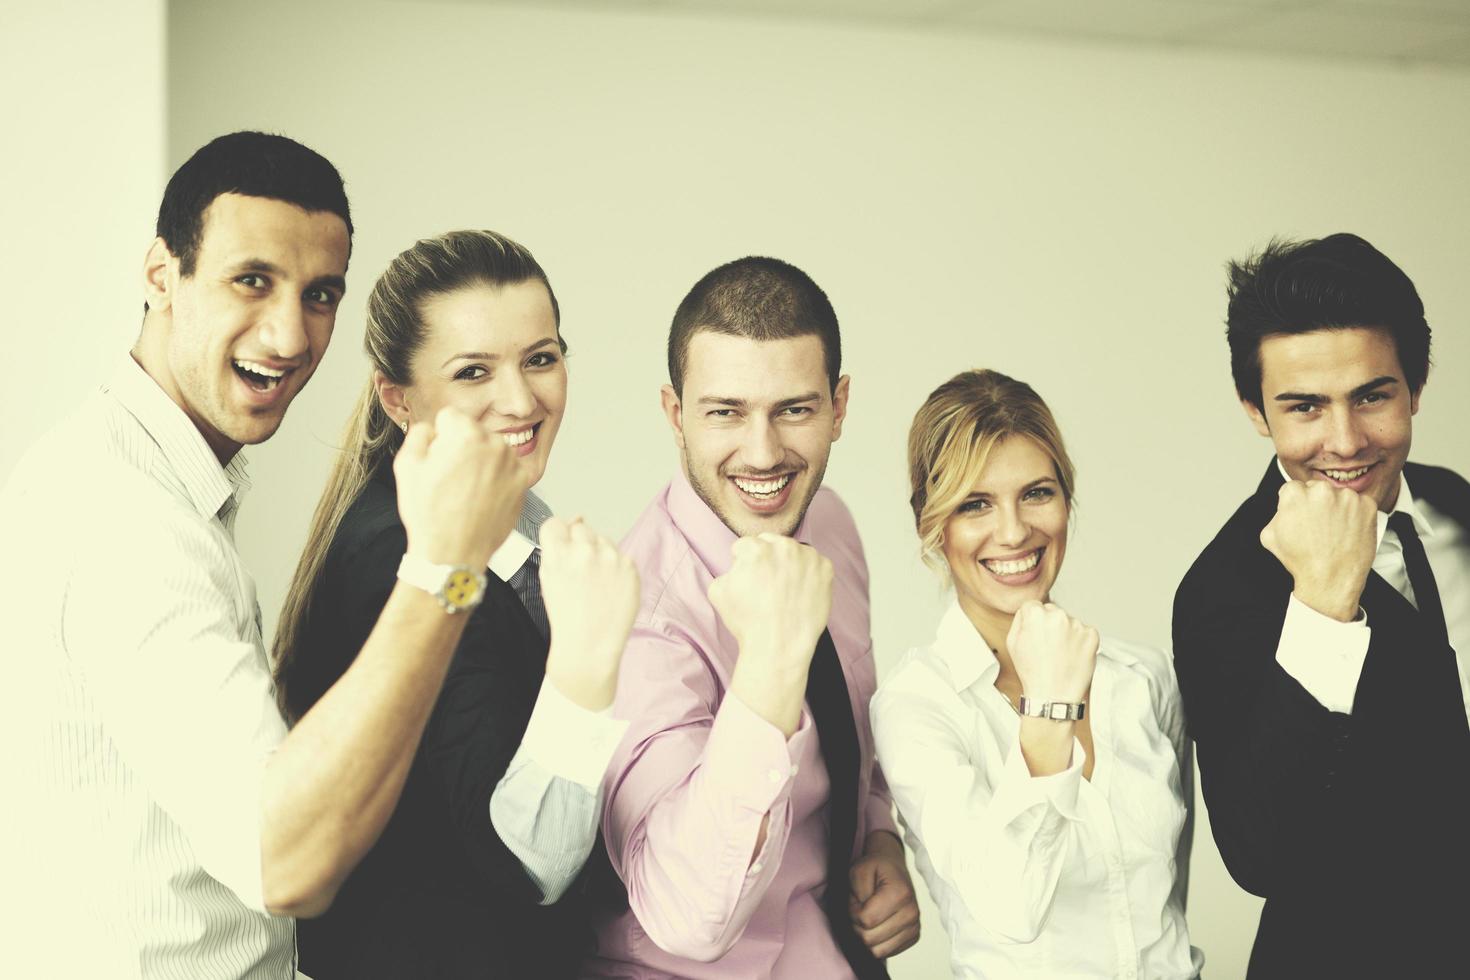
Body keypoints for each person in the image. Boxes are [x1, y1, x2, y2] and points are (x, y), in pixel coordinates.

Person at [0, 133, 534, 978]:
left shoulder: (143, 483)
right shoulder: (125, 520)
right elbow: (282, 862)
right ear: (160, 275)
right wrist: (447, 567)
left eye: (320, 295)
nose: (289, 335)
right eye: (252, 280)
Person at [270, 230, 638, 978]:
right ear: (398, 399)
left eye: (541, 357)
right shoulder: (404, 562)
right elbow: (525, 863)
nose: (521, 398)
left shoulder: (515, 516)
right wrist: (585, 667)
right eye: (474, 371)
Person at [585, 257, 920, 980]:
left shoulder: (828, 522)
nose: (763, 454)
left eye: (794, 409)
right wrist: (770, 664)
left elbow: (854, 735)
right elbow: (684, 915)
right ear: (675, 415)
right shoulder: (636, 614)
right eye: (726, 412)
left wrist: (880, 838)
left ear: (839, 406)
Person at [1172, 233, 1470, 977]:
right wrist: (1324, 605)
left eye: (1372, 395)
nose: (1345, 442)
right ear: (1254, 409)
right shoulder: (1221, 588)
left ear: (1417, 384)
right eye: (1305, 407)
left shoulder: (1457, 504)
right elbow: (1260, 854)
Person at [870, 369, 1202, 980]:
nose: (1015, 531)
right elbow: (1011, 907)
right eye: (975, 505)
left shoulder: (1143, 678)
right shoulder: (917, 704)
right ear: (931, 522)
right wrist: (1050, 710)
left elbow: (1167, 907)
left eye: (1037, 493)